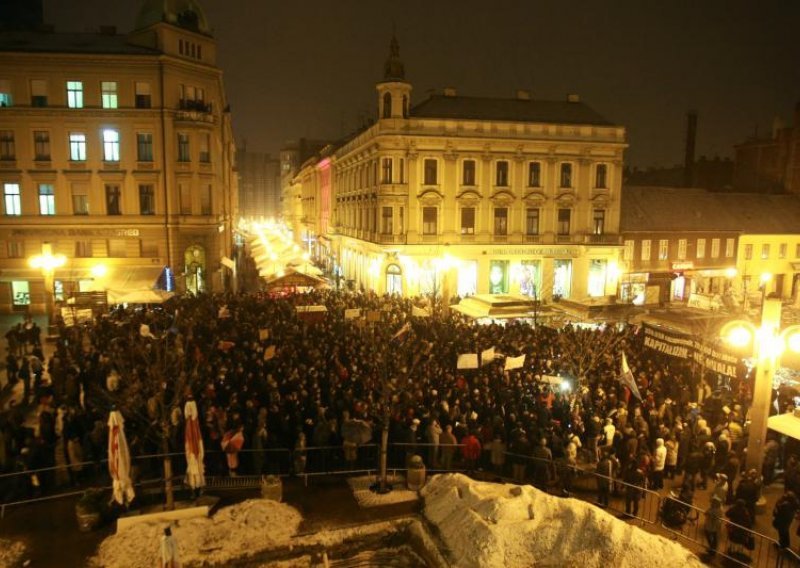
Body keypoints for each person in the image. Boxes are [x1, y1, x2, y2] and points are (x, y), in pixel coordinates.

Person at [703, 497, 723, 561]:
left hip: (712, 526)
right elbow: (706, 513)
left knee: (712, 538)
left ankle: (712, 550)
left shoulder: (717, 510)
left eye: (713, 502)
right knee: (713, 538)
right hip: (712, 526)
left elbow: (707, 513)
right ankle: (712, 549)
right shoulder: (715, 509)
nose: (711, 503)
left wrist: (710, 513)